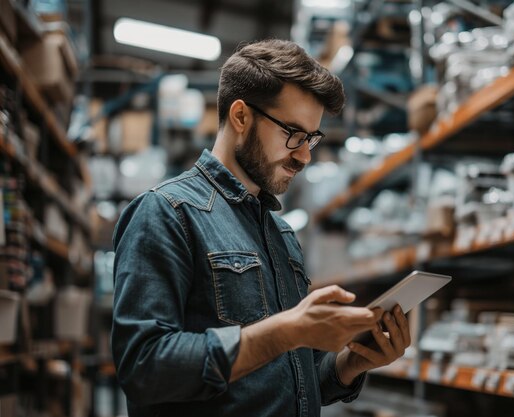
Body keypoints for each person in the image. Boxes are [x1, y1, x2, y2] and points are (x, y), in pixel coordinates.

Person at [112, 39, 411, 417]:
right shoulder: (167, 213)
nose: (304, 155)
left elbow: (291, 387)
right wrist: (286, 331)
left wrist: (350, 364)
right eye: (294, 134)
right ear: (240, 117)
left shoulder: (282, 236)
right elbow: (143, 367)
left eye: (312, 139)